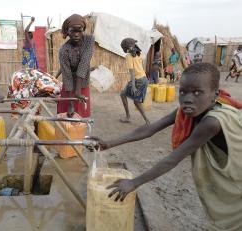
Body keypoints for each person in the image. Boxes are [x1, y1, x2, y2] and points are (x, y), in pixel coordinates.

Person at [93, 63, 242, 230]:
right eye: (183, 92)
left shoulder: (211, 123)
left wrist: (134, 183)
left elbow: (173, 159)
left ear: (215, 94)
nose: (188, 99)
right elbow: (150, 128)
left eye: (197, 92)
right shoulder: (188, 110)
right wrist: (109, 143)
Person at [56, 14, 94, 118]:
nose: (76, 34)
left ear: (83, 30)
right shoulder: (64, 50)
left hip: (82, 82)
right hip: (69, 85)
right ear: (67, 31)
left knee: (81, 114)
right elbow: (67, 75)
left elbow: (84, 64)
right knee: (66, 114)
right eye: (73, 31)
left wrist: (77, 91)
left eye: (79, 31)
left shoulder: (89, 40)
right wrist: (70, 103)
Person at [119, 38, 150, 124]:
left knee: (126, 96)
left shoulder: (129, 56)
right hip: (144, 79)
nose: (123, 49)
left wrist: (133, 86)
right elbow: (140, 67)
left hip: (137, 80)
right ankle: (146, 121)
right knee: (135, 101)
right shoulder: (139, 53)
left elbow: (132, 73)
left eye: (123, 48)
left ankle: (129, 117)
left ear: (127, 48)